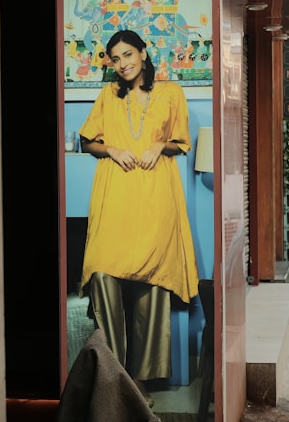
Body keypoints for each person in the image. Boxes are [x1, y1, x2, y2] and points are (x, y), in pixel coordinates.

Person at [78, 29, 200, 405]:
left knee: (152, 285)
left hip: (154, 196)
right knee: (102, 274)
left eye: (128, 54)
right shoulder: (107, 96)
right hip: (114, 195)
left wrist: (157, 145)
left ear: (144, 54)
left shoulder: (171, 93)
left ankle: (137, 382)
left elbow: (180, 141)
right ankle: (113, 378)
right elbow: (87, 141)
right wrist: (112, 148)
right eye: (116, 58)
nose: (123, 64)